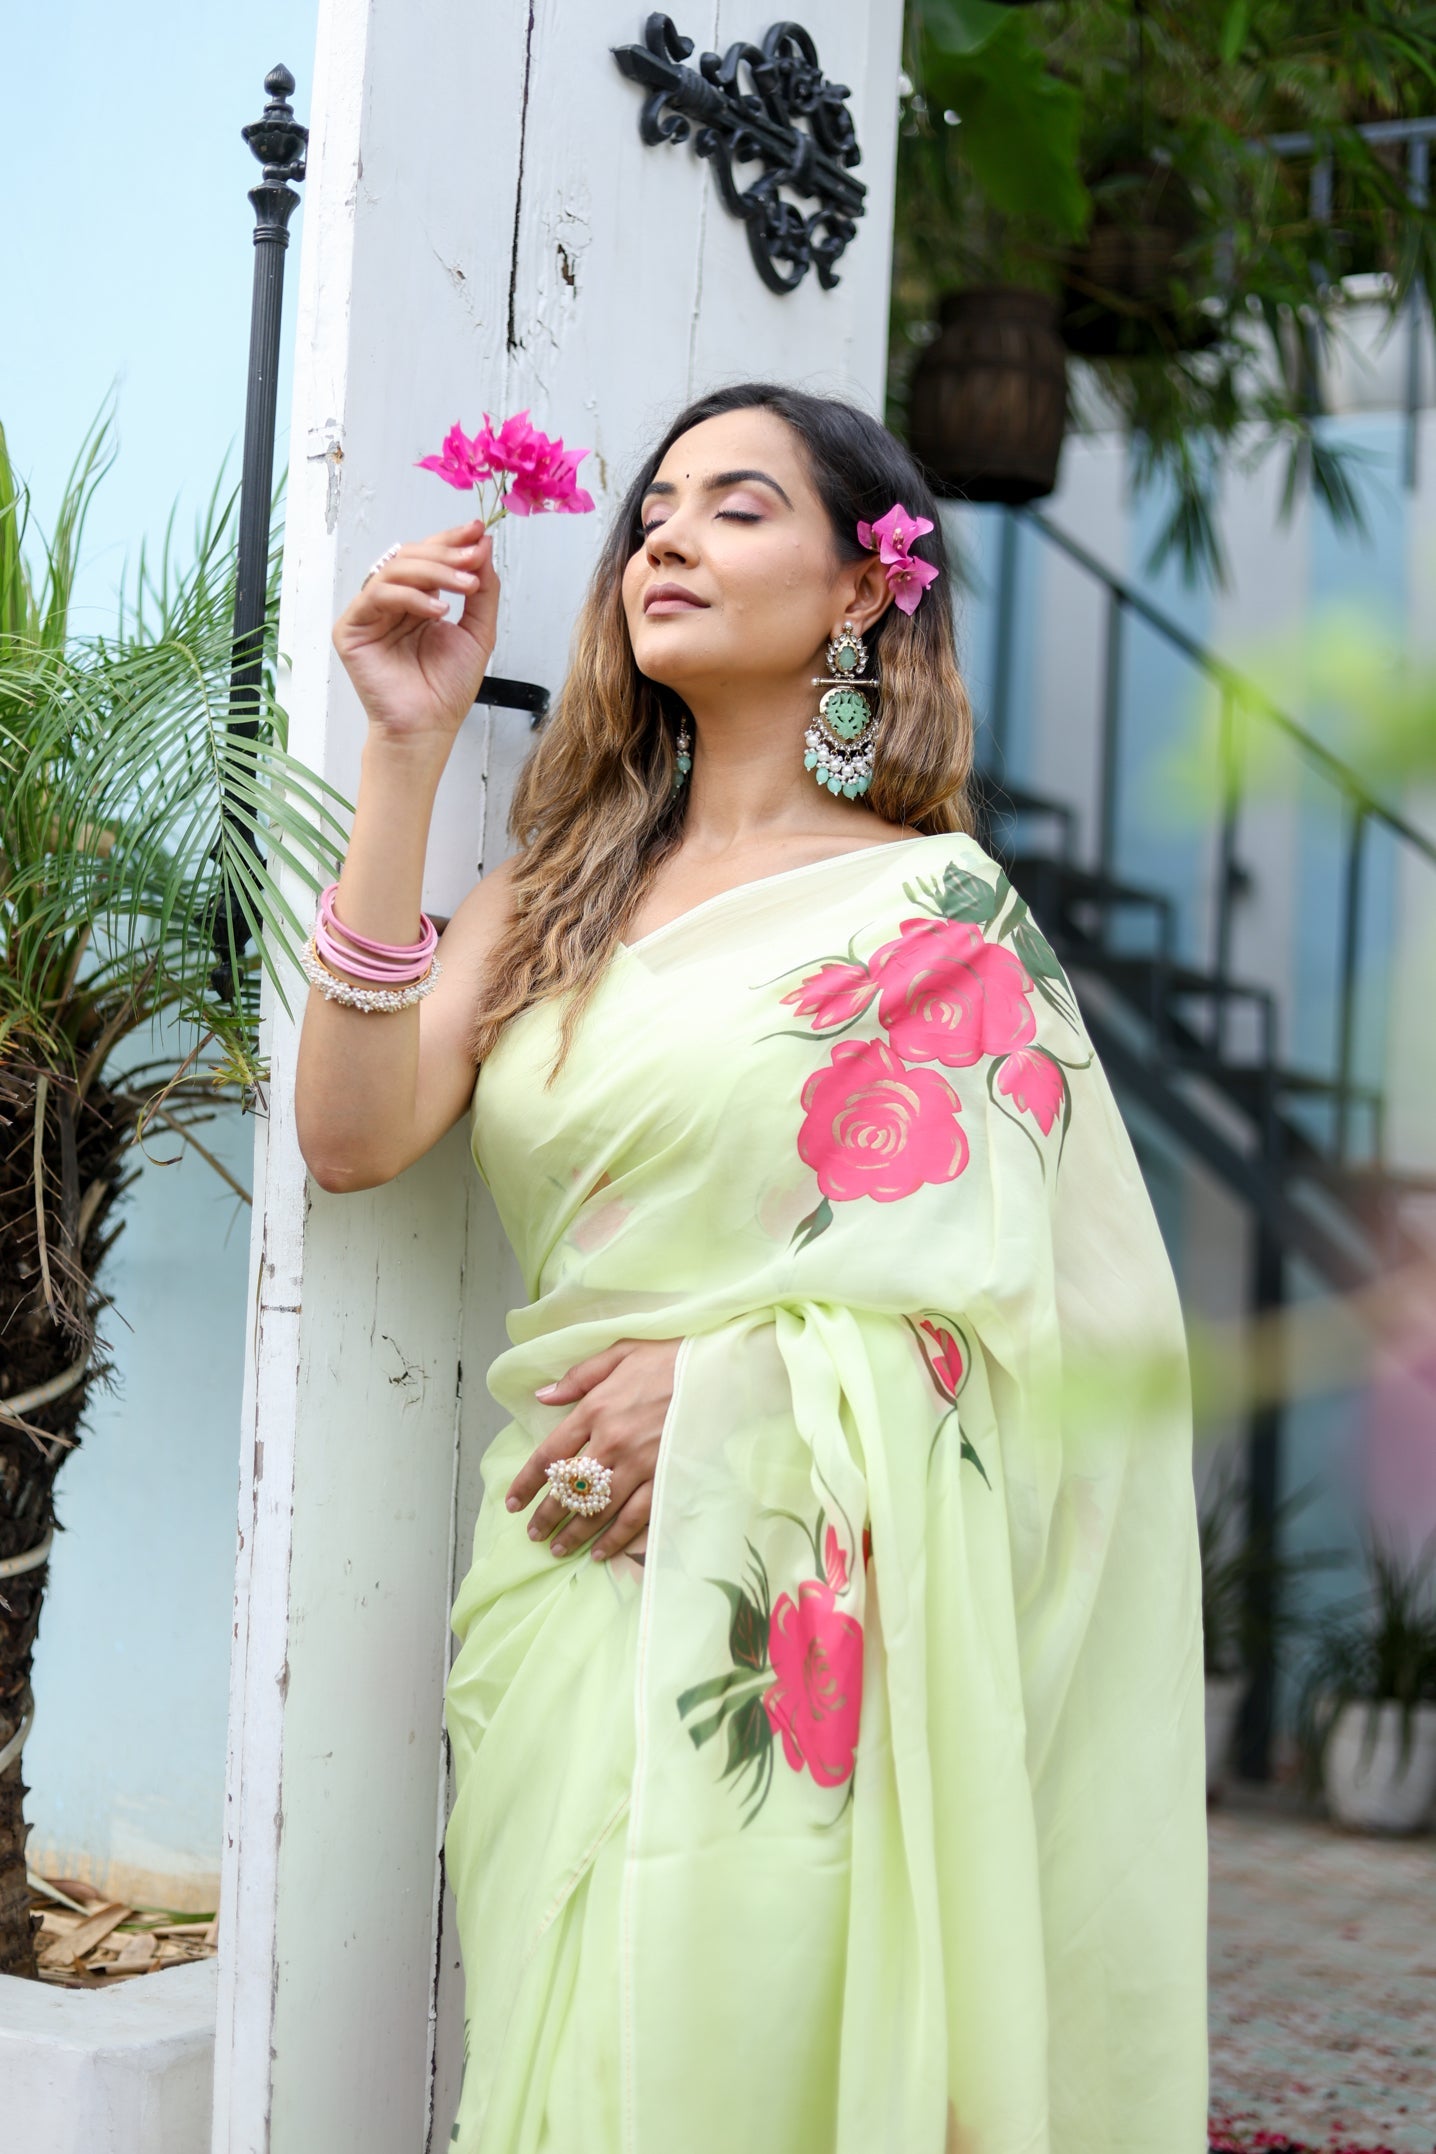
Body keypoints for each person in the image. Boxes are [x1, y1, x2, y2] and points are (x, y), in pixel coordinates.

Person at [294, 384, 1208, 2154]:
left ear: (864, 593)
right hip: (563, 1580)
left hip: (803, 1606)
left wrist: (746, 1388)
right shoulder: (553, 894)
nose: (668, 535)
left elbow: (1060, 1331)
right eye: (653, 510)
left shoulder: (937, 915)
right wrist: (400, 758)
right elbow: (352, 1131)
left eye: (737, 505)